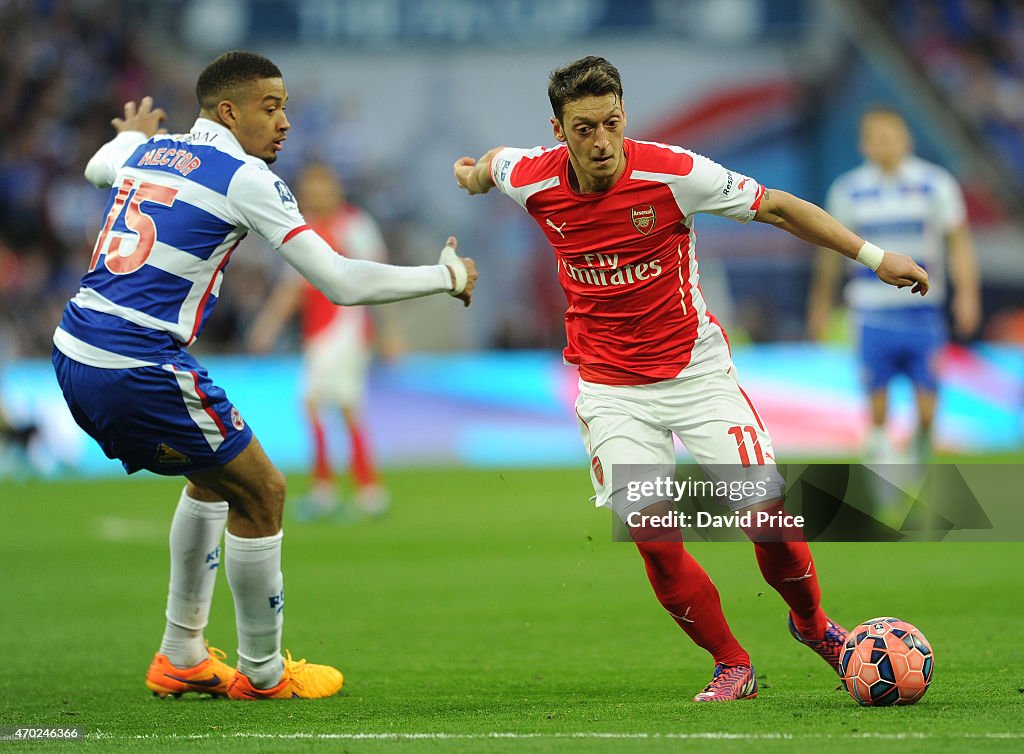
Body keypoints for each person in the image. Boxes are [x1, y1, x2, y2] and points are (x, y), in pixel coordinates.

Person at [453, 56, 928, 702]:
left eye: (611, 124)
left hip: (696, 373)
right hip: (611, 388)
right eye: (584, 128)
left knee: (768, 521)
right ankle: (732, 662)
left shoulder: (675, 173)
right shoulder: (534, 177)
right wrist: (474, 177)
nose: (601, 142)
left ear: (626, 117)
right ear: (558, 130)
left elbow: (781, 208)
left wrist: (874, 258)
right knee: (654, 540)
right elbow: (492, 164)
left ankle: (815, 627)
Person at [51, 50, 477, 701]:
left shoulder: (154, 152)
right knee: (265, 493)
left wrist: (129, 136)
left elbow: (96, 165)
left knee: (211, 478)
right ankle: (264, 673)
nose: (284, 123)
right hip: (137, 361)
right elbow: (338, 278)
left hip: (74, 347)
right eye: (270, 107)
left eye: (285, 108)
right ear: (230, 111)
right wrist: (443, 277)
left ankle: (182, 654)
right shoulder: (244, 177)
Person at [807, 105, 981, 466]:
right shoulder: (849, 190)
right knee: (878, 408)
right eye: (876, 138)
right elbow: (829, 254)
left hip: (923, 312)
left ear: (907, 139)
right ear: (864, 145)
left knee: (929, 411)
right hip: (872, 313)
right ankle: (886, 485)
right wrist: (820, 304)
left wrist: (968, 295)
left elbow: (959, 243)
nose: (884, 144)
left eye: (891, 136)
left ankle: (919, 459)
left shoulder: (935, 184)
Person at [248, 162, 399, 521]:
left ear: (336, 188)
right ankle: (364, 491)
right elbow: (293, 286)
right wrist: (268, 324)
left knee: (317, 402)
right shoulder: (306, 229)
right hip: (319, 332)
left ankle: (334, 491)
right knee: (340, 407)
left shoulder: (356, 226)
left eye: (322, 186)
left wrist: (389, 329)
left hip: (346, 327)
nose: (316, 193)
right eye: (310, 187)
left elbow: (380, 277)